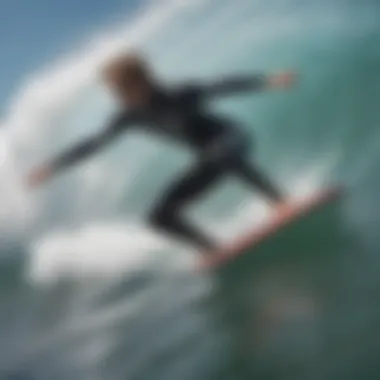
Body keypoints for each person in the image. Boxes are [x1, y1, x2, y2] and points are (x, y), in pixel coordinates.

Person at [27, 52, 296, 252]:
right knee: (158, 217)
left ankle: (279, 202)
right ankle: (212, 248)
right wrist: (53, 166)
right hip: (210, 158)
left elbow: (220, 86)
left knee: (221, 153)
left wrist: (266, 80)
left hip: (232, 138)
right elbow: (94, 144)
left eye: (122, 89)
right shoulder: (128, 116)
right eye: (115, 91)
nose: (118, 96)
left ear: (143, 81)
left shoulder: (178, 93)